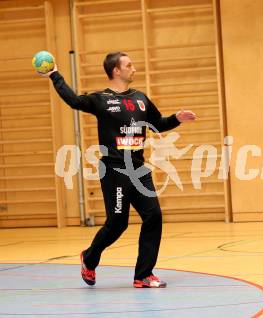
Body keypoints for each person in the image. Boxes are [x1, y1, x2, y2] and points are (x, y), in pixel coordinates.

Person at [41, 52, 196, 287]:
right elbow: (74, 100)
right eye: (129, 65)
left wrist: (176, 118)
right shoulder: (101, 100)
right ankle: (90, 258)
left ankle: (143, 274)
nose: (134, 68)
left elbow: (158, 124)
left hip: (138, 168)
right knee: (117, 223)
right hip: (114, 169)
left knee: (153, 215)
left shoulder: (141, 98)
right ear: (116, 70)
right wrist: (55, 75)